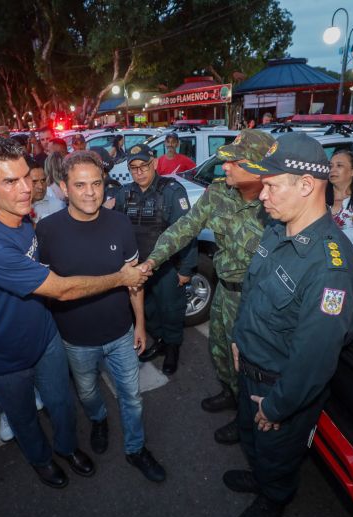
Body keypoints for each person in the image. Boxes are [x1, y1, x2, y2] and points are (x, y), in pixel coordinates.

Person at [0, 135, 150, 489]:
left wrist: (138, 320)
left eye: (26, 177)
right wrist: (122, 277)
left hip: (46, 338)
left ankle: (68, 447)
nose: (26, 189)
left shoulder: (23, 221)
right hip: (3, 355)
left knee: (62, 404)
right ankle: (42, 461)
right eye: (10, 182)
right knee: (25, 418)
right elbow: (62, 288)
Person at [227, 133, 353, 517]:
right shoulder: (277, 229)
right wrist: (240, 338)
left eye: (271, 185)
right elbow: (253, 291)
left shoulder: (330, 267)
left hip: (280, 390)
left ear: (307, 185)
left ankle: (273, 498)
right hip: (250, 368)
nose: (262, 194)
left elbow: (315, 358)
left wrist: (277, 407)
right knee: (250, 440)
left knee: (275, 454)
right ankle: (260, 478)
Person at [36, 150, 166, 482]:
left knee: (133, 397)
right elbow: (49, 289)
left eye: (97, 183)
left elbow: (133, 279)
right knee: (89, 393)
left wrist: (140, 323)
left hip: (121, 333)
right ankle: (98, 419)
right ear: (64, 187)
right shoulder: (47, 231)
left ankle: (136, 449)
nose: (91, 192)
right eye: (80, 185)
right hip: (76, 341)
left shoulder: (120, 223)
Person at [141, 130, 275, 445]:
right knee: (219, 351)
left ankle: (246, 420)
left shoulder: (276, 204)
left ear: (258, 167)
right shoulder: (218, 194)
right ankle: (230, 394)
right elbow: (185, 228)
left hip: (259, 302)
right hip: (225, 292)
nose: (224, 166)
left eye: (234, 162)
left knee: (251, 366)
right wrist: (151, 262)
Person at [114, 144, 196, 375]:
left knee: (171, 310)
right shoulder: (124, 192)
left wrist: (186, 269)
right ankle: (160, 341)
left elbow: (186, 232)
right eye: (134, 168)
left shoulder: (171, 191)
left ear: (155, 163)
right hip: (137, 268)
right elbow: (117, 228)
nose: (139, 172)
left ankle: (172, 348)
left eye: (144, 166)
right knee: (149, 310)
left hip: (167, 267)